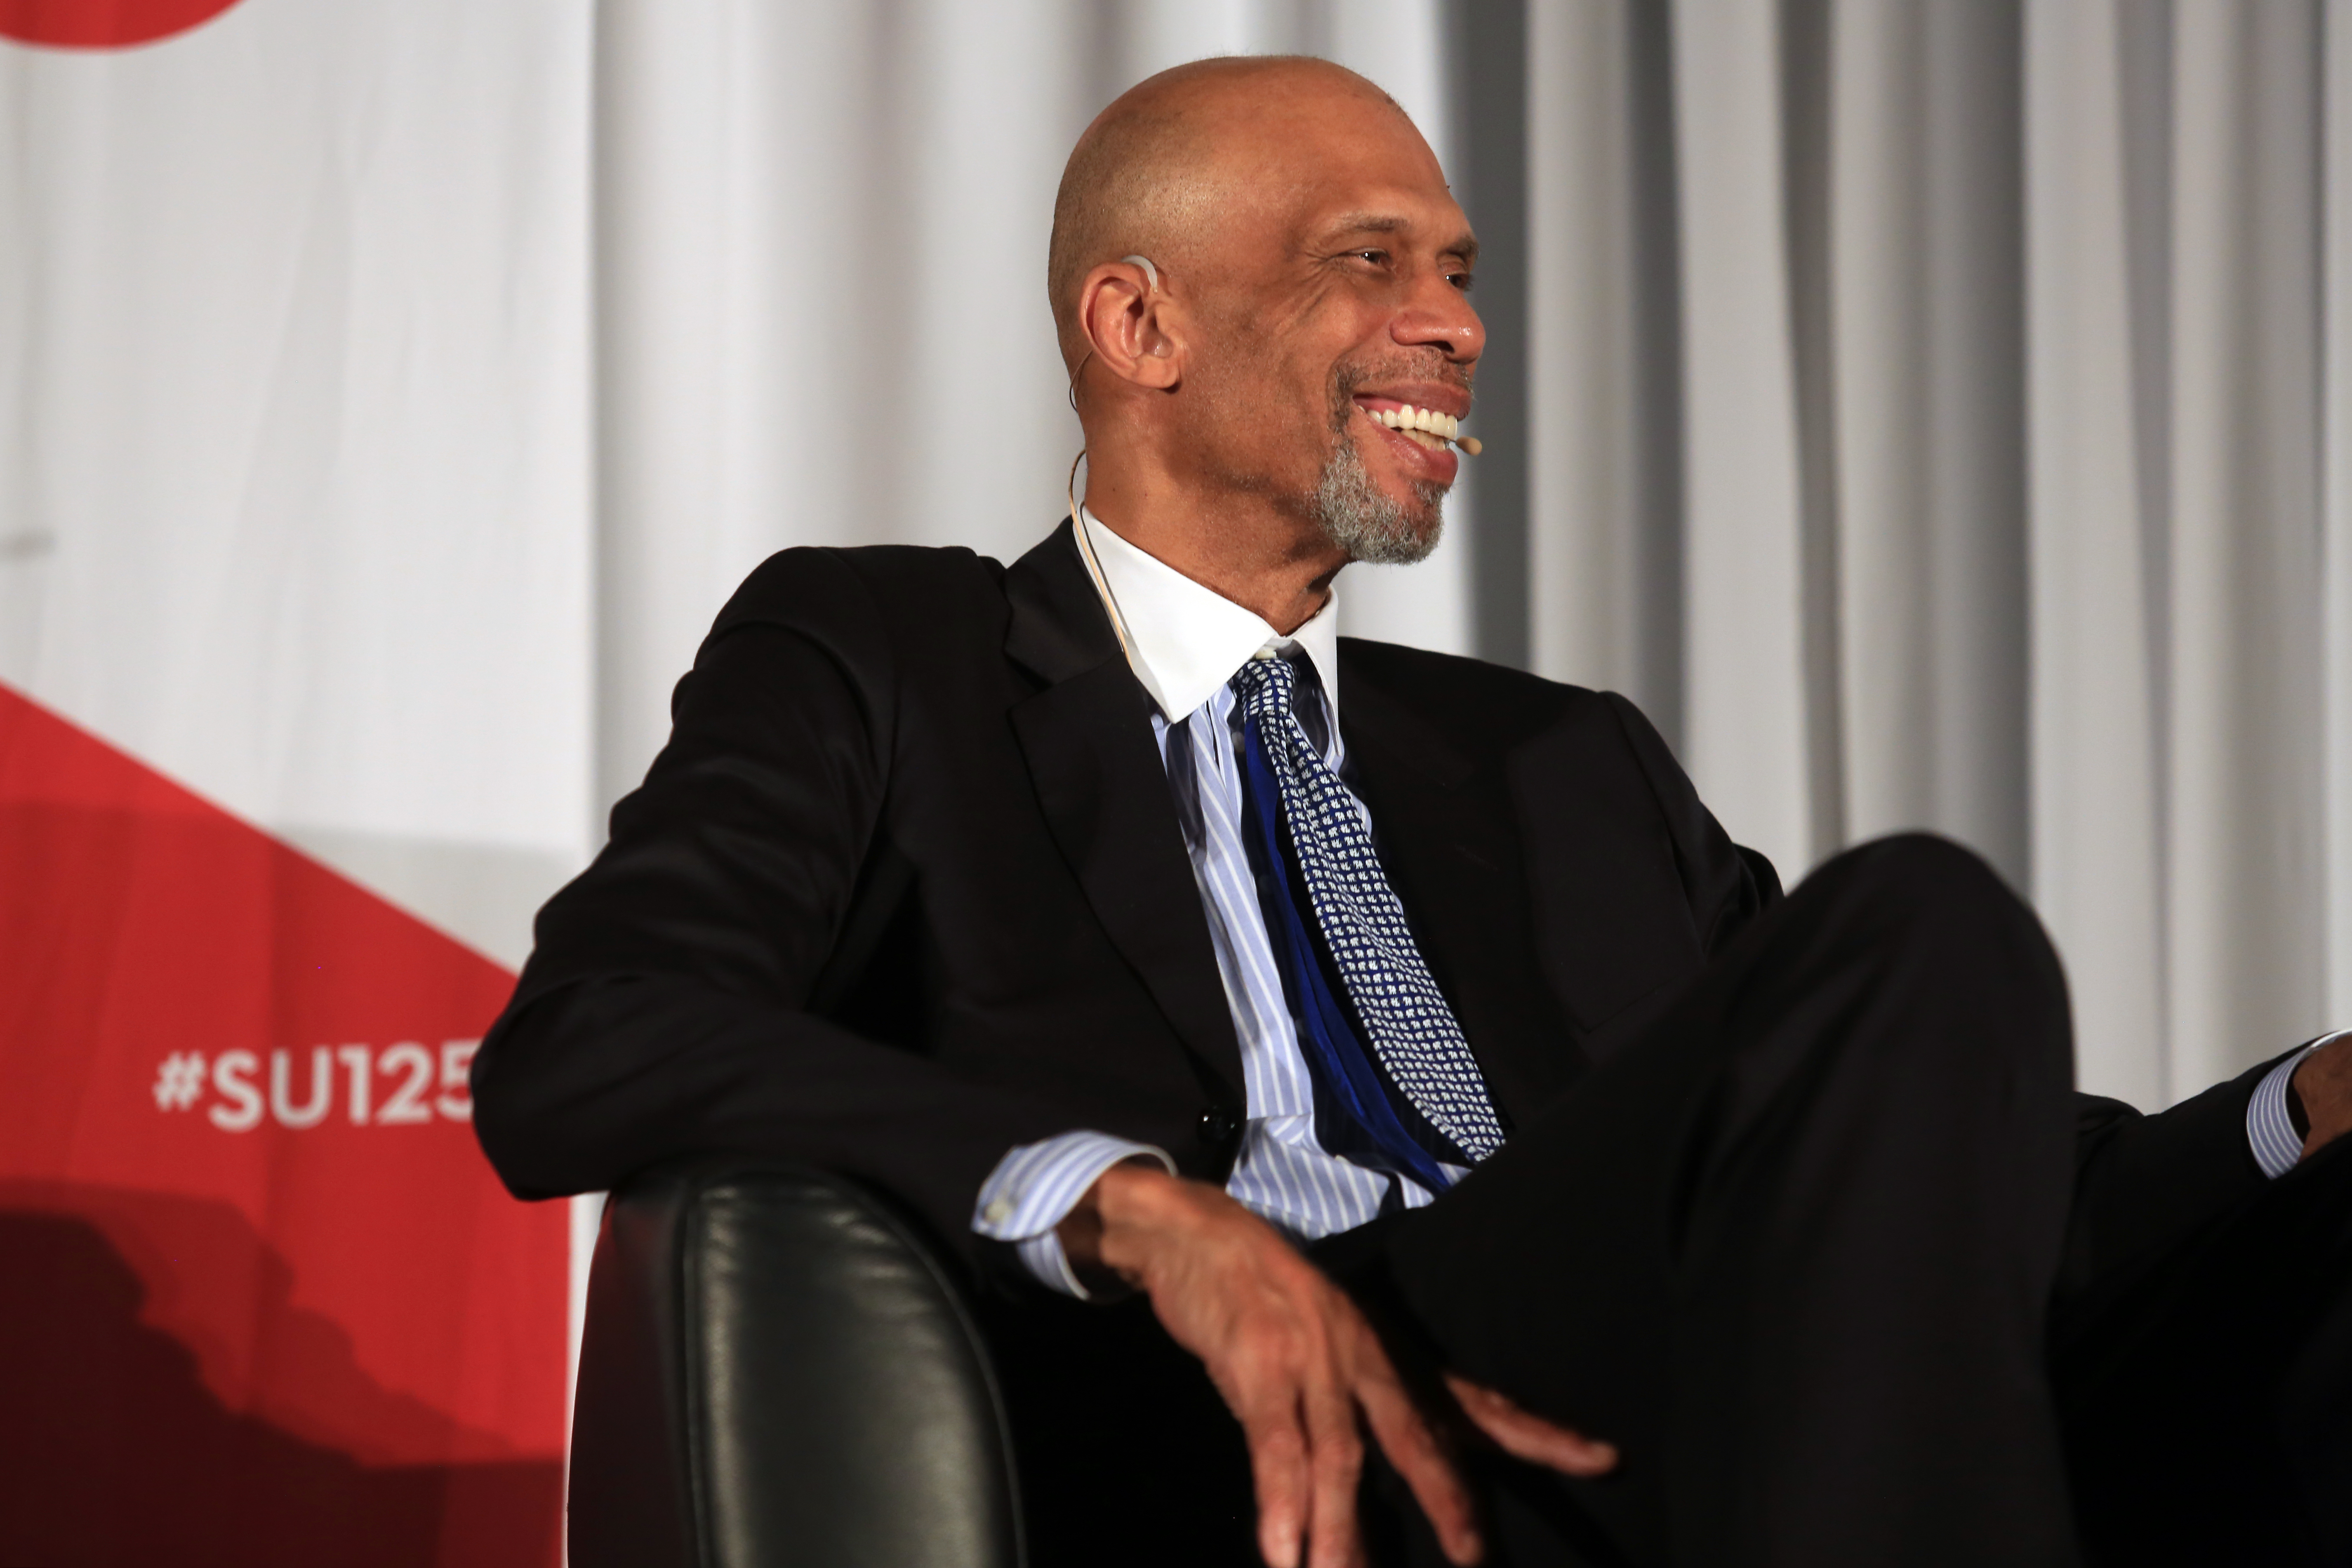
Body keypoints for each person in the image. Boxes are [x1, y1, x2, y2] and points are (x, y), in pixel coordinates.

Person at [473, 55, 2352, 1568]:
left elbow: (1918, 1163)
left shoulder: (1562, 758)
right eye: (1369, 260)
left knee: (2207, 1181)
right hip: (1224, 1426)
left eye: (1458, 270)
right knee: (1920, 910)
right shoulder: (891, 651)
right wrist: (1129, 1205)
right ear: (1139, 326)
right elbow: (593, 1040)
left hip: (1604, 1376)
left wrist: (2298, 1113)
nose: (1450, 323)